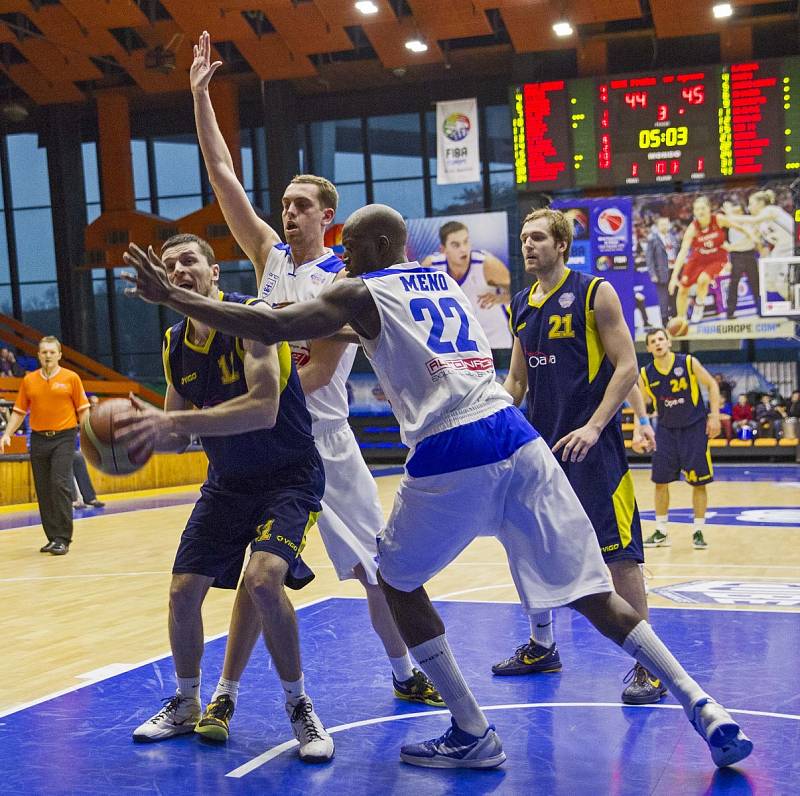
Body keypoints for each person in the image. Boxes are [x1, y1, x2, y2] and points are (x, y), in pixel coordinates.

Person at [122, 205, 752, 771]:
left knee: (393, 579)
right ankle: (703, 705)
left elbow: (276, 328)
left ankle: (472, 729)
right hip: (518, 436)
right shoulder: (440, 282)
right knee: (592, 592)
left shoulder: (357, 289)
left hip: (453, 444)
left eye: (351, 243)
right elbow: (362, 330)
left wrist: (171, 299)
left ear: (373, 249)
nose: (340, 252)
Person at [187, 29, 441, 742]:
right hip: (267, 446)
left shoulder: (343, 282)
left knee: (378, 571)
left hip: (325, 441)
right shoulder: (269, 259)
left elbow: (321, 372)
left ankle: (406, 673)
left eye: (301, 204)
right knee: (252, 576)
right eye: (286, 203)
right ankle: (226, 697)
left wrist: (273, 358)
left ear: (327, 217)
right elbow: (220, 174)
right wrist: (200, 94)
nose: (288, 211)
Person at [120, 233, 334, 762]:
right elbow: (173, 433)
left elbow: (262, 407)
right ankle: (188, 702)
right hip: (228, 484)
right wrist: (135, 433)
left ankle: (299, 707)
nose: (179, 269)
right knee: (181, 592)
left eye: (189, 259)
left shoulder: (254, 320)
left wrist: (174, 420)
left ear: (215, 273)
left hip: (288, 477)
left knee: (263, 581)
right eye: (169, 265)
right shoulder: (175, 345)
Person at [493, 207, 664, 705]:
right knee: (528, 545)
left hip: (594, 450)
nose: (528, 245)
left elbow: (627, 366)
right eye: (524, 238)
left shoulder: (595, 293)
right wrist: (492, 419)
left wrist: (593, 426)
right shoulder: (520, 304)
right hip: (540, 452)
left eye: (539, 237)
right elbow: (517, 381)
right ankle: (542, 646)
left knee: (620, 557)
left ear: (562, 244)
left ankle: (648, 664)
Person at [0, 336, 90, 555]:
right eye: (44, 352)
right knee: (44, 488)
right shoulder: (29, 380)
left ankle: (63, 538)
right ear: (38, 355)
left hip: (64, 436)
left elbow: (83, 409)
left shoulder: (71, 378)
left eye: (52, 352)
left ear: (59, 355)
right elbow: (19, 412)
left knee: (59, 484)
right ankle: (52, 537)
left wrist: (88, 435)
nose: (48, 355)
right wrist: (7, 434)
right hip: (39, 438)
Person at [639, 328, 721, 550]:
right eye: (653, 341)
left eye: (660, 339)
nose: (657, 343)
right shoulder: (646, 374)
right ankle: (661, 531)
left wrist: (714, 416)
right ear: (648, 348)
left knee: (698, 482)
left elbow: (712, 385)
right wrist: (640, 431)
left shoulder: (687, 362)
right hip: (666, 431)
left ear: (669, 342)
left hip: (694, 429)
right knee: (660, 482)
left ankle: (698, 530)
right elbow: (642, 405)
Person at [421, 220, 512, 349]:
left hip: (494, 340)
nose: (463, 249)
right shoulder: (431, 267)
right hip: (458, 344)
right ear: (443, 249)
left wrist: (501, 298)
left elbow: (521, 291)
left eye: (466, 241)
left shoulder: (487, 265)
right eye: (455, 245)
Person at [668, 196, 743, 324]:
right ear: (694, 212)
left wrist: (740, 244)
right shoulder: (692, 228)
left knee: (703, 279)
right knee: (682, 289)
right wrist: (674, 276)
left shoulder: (718, 219)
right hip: (698, 259)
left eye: (703, 208)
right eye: (697, 209)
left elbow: (740, 227)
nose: (700, 211)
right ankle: (681, 320)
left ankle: (699, 305)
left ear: (709, 209)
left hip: (717, 258)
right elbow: (682, 252)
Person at [721, 200, 760, 318]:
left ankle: (760, 309)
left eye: (738, 211)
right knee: (734, 284)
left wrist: (732, 247)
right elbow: (723, 241)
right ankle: (730, 312)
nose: (736, 213)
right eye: (734, 211)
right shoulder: (729, 224)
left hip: (749, 254)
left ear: (743, 211)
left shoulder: (750, 222)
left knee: (755, 283)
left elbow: (750, 240)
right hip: (736, 256)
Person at [645, 216, 678, 324]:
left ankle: (676, 318)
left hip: (674, 271)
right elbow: (649, 258)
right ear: (658, 226)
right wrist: (653, 274)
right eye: (662, 224)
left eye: (666, 224)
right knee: (663, 297)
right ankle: (665, 320)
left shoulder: (673, 237)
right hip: (661, 273)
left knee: (675, 295)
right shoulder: (652, 239)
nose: (664, 226)